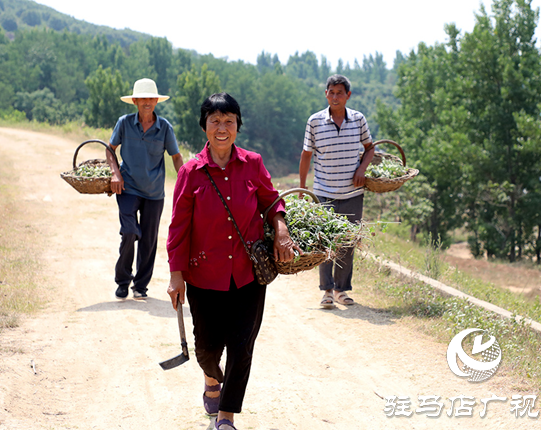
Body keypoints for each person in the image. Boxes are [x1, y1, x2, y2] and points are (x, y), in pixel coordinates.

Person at [166, 93, 301, 430]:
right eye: (215, 121)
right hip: (203, 276)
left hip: (246, 275)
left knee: (242, 346)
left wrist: (281, 228)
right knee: (207, 348)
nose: (222, 127)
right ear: (205, 127)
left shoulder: (253, 163)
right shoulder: (191, 173)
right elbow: (178, 227)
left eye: (229, 121)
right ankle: (212, 378)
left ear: (238, 126)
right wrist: (175, 274)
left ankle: (226, 416)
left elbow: (272, 203)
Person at [299, 74, 374, 309]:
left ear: (348, 95)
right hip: (324, 192)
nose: (334, 97)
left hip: (352, 193)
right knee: (324, 243)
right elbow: (306, 156)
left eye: (339, 92)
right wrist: (302, 188)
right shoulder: (315, 121)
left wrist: (363, 167)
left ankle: (342, 290)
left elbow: (370, 148)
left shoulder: (358, 120)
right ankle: (327, 291)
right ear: (326, 94)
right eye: (330, 92)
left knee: (347, 243)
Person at [106, 78, 184, 301]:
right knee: (130, 233)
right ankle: (122, 281)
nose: (147, 102)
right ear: (135, 101)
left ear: (156, 101)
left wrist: (186, 182)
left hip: (154, 193)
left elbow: (176, 157)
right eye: (142, 98)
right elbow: (110, 150)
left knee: (149, 240)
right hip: (128, 188)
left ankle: (140, 286)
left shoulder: (165, 128)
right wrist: (115, 173)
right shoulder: (124, 123)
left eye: (151, 98)